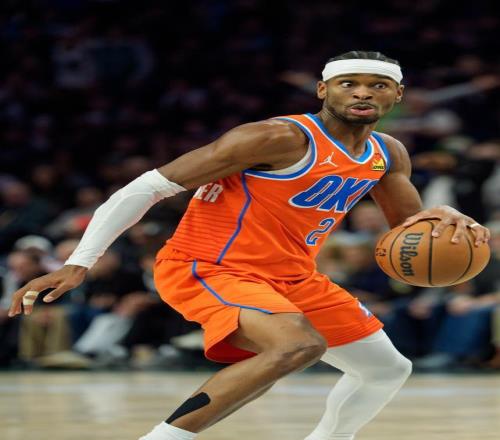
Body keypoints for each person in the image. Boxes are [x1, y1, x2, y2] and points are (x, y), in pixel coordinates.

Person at [8, 51, 490, 440]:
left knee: (386, 369)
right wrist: (79, 262)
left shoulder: (388, 152)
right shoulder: (275, 137)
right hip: (208, 265)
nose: (363, 93)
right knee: (297, 346)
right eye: (349, 83)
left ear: (398, 95)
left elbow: (408, 228)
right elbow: (146, 188)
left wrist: (443, 215)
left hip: (293, 276)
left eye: (378, 85)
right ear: (323, 90)